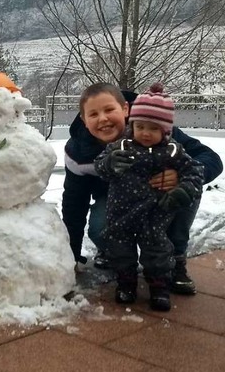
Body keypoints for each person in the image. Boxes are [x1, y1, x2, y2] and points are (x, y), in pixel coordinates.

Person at [62, 82, 222, 294]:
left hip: (159, 201)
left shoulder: (153, 126)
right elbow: (74, 204)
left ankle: (175, 259)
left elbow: (211, 159)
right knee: (100, 228)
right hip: (117, 204)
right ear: (84, 120)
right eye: (94, 114)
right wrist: (70, 256)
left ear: (125, 109)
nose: (103, 118)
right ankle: (114, 253)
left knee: (190, 185)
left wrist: (180, 176)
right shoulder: (78, 152)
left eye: (110, 110)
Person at [94, 83, 204, 311]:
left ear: (165, 130)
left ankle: (159, 287)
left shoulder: (173, 150)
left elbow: (195, 171)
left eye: (153, 128)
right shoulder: (121, 146)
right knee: (121, 251)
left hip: (155, 215)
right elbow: (100, 167)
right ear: (132, 125)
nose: (145, 133)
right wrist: (110, 164)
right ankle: (126, 284)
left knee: (157, 252)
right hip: (121, 213)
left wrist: (183, 189)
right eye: (140, 126)